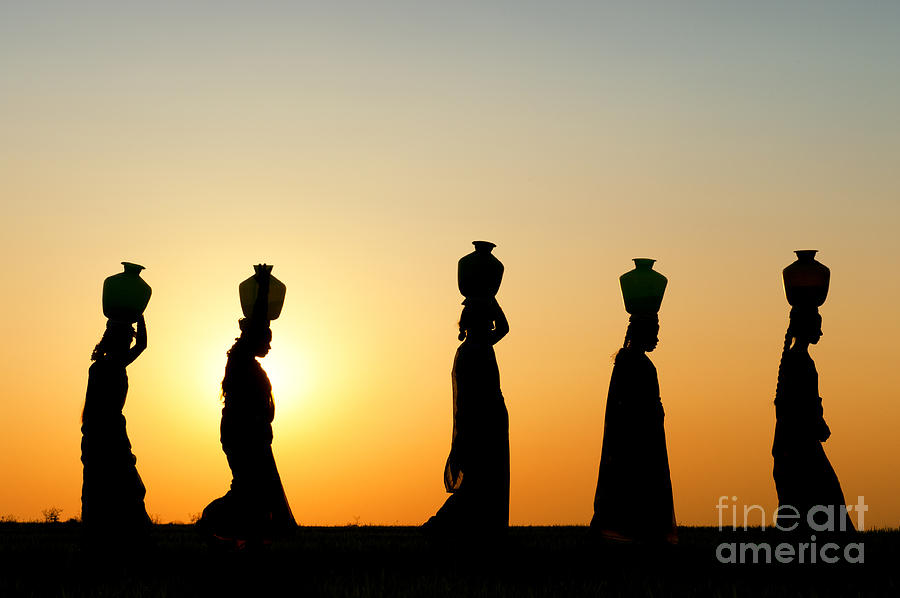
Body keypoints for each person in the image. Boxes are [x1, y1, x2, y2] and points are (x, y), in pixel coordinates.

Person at [200, 266, 296, 548]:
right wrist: (263, 286)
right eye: (266, 340)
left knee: (255, 487)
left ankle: (250, 538)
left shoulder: (249, 363)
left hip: (253, 435)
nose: (269, 345)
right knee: (249, 486)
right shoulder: (241, 358)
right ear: (254, 337)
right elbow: (257, 318)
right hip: (243, 435)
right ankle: (211, 521)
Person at [423, 298, 510, 537]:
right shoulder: (472, 350)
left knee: (487, 480)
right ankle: (442, 525)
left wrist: (490, 299)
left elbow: (503, 328)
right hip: (481, 421)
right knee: (479, 482)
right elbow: (465, 399)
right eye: (486, 320)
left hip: (489, 418)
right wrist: (491, 301)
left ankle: (475, 531)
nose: (490, 325)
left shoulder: (478, 346)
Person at [591, 315, 677, 543]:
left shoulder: (636, 363)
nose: (657, 338)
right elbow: (629, 404)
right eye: (654, 332)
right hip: (636, 438)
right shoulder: (632, 364)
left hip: (645, 435)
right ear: (642, 333)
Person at [773, 308, 853, 533]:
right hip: (800, 444)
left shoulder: (797, 359)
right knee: (825, 498)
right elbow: (800, 403)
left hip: (796, 442)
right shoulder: (799, 361)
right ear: (806, 328)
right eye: (817, 326)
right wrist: (817, 424)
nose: (821, 332)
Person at [81, 315, 152, 545]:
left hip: (100, 437)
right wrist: (140, 316)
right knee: (124, 490)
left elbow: (141, 344)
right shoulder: (111, 366)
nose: (130, 344)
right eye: (126, 340)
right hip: (108, 437)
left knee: (101, 493)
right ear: (118, 342)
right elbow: (142, 344)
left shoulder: (104, 366)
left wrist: (139, 317)